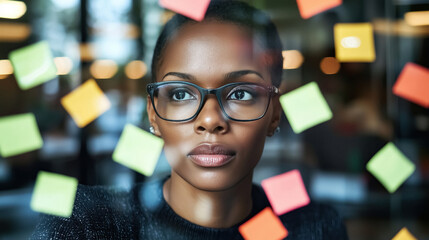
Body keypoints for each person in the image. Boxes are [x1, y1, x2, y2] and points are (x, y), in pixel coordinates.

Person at [31, 1, 348, 239]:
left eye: (240, 94)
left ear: (274, 114)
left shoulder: (312, 227)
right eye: (181, 94)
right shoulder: (89, 223)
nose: (210, 120)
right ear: (153, 113)